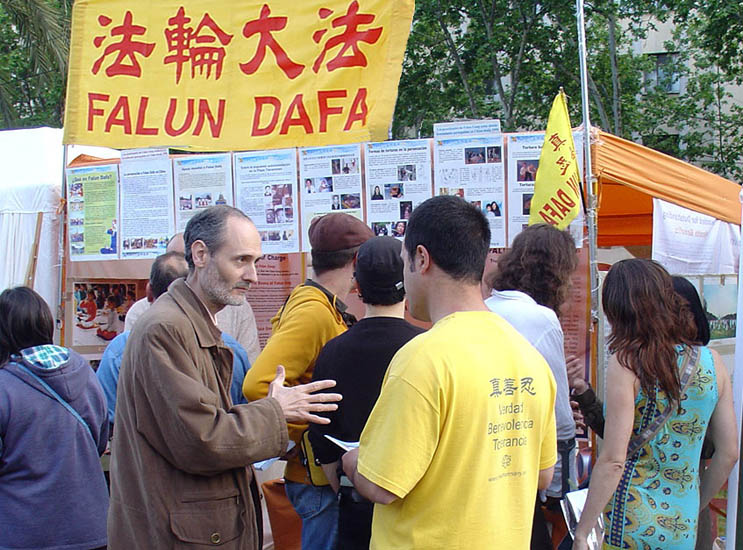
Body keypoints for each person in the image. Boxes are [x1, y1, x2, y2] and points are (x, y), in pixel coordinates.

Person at [108, 205, 342, 550]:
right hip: (181, 533)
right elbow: (201, 440)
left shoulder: (189, 322)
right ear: (200, 254)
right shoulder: (166, 329)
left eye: (256, 262)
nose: (253, 276)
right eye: (241, 260)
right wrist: (276, 411)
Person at [342, 196, 558, 549]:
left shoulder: (423, 359)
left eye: (404, 263)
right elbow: (542, 474)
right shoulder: (528, 356)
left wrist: (353, 462)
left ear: (421, 259)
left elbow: (381, 485)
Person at [573, 259, 739, 550]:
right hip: (683, 521)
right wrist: (694, 504)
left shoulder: (627, 362)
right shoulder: (712, 363)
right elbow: (729, 453)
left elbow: (614, 460)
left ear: (618, 309)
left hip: (629, 517)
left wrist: (583, 531)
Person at [243, 212, 374, 550]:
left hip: (318, 476)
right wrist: (304, 437)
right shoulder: (313, 312)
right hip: (314, 479)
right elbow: (258, 384)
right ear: (357, 261)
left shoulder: (322, 305)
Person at [308, 237, 425, 548]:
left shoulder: (333, 351)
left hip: (354, 504)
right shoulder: (427, 348)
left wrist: (348, 487)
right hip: (416, 507)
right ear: (409, 279)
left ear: (357, 285)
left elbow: (322, 436)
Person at [485, 223, 578, 550]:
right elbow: (560, 417)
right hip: (526, 461)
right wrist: (561, 486)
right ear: (558, 273)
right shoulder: (541, 319)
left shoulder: (486, 307)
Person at [0, 287, 109, 550]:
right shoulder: (85, 372)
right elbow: (99, 441)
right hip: (91, 527)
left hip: (25, 532)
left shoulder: (5, 387)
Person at [96, 251, 252, 428]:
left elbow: (106, 420)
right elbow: (243, 421)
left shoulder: (121, 350)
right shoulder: (232, 349)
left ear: (149, 291)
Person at [125, 232, 262, 363]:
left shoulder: (236, 305)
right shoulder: (140, 312)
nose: (183, 266)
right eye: (176, 257)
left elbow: (249, 362)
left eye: (188, 260)